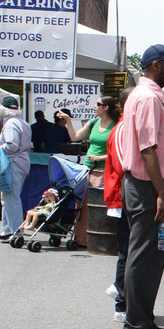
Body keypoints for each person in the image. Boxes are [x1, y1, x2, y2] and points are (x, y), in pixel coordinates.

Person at [118, 43, 164, 329]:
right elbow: (147, 150)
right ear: (156, 65)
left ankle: (143, 319)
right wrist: (161, 193)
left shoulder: (145, 97)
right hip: (147, 187)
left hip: (146, 186)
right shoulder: (146, 98)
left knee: (151, 254)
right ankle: (136, 324)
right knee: (145, 255)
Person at [56, 96, 120, 246]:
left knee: (98, 205)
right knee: (82, 205)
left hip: (104, 170)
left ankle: (98, 239)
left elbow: (119, 151)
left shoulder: (116, 126)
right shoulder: (93, 123)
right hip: (87, 168)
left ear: (106, 108)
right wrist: (68, 121)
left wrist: (100, 158)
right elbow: (74, 137)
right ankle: (80, 239)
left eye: (98, 104)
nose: (95, 106)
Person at [103, 86, 134, 324]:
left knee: (128, 250)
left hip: (124, 196)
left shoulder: (123, 126)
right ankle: (121, 301)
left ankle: (120, 292)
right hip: (124, 197)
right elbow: (126, 165)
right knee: (127, 252)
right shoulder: (123, 127)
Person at [0, 96, 32, 240]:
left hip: (13, 162)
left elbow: (12, 145)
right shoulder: (23, 123)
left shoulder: (11, 124)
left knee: (11, 197)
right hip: (20, 161)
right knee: (8, 197)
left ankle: (16, 231)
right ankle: (7, 229)